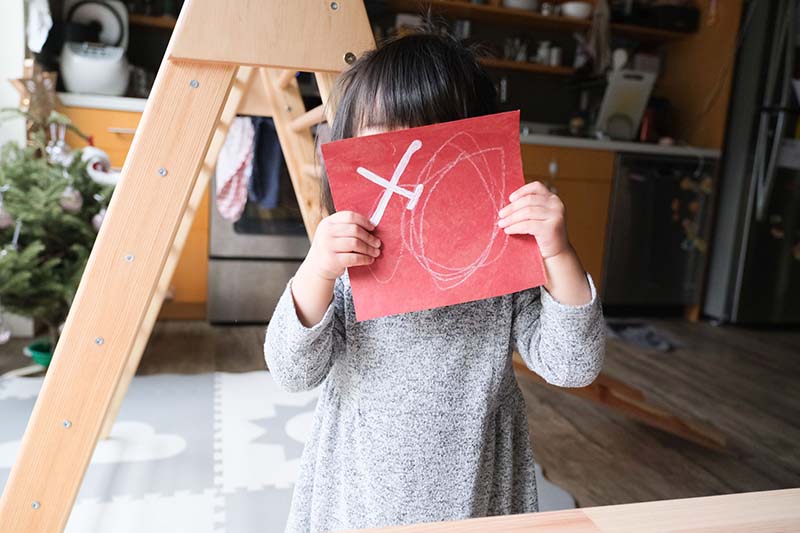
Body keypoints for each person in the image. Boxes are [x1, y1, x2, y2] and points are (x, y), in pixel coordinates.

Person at [264, 29, 605, 533]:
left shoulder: (505, 261)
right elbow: (292, 370)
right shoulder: (350, 260)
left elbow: (572, 366)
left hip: (480, 493)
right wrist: (316, 270)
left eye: (435, 142)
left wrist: (558, 252)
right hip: (357, 493)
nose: (412, 171)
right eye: (385, 141)